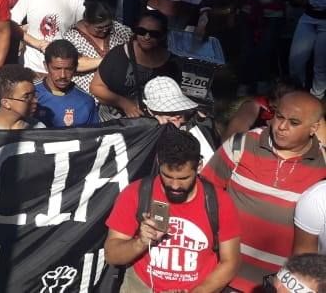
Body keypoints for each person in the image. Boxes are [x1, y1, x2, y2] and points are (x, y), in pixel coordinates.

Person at [203, 92, 326, 291]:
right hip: (220, 275)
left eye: (294, 123)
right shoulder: (241, 145)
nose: (282, 127)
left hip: (277, 285)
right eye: (279, 117)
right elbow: (203, 193)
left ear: (314, 128)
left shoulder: (323, 167)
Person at [104, 127, 241, 292]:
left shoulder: (219, 201)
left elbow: (231, 262)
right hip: (141, 286)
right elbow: (112, 256)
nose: (175, 185)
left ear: (199, 166)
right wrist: (140, 243)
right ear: (158, 163)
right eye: (167, 176)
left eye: (184, 178)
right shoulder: (135, 193)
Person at [91, 10, 182, 120]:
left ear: (163, 35)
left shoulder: (171, 64)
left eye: (154, 34)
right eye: (141, 31)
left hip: (148, 126)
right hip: (111, 122)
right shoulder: (119, 54)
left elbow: (174, 100)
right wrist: (123, 103)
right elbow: (95, 87)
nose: (146, 37)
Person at [11, 0, 86, 75]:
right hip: (32, 67)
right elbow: (10, 24)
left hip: (62, 69)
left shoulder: (75, 0)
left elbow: (86, 32)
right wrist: (36, 43)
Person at [143, 76, 218, 164]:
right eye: (171, 112)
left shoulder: (195, 126)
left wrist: (200, 118)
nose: (177, 117)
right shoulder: (142, 128)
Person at [63, 1, 133, 95]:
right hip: (89, 95)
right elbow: (75, 63)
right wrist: (110, 60)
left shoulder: (119, 30)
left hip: (120, 93)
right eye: (99, 28)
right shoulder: (72, 36)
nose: (104, 30)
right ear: (86, 23)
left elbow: (135, 48)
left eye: (108, 26)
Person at [290, 0, 326, 99]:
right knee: (296, 60)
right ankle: (295, 94)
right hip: (308, 18)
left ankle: (316, 99)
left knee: (320, 65)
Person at [35, 40, 99, 128]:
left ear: (75, 67)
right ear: (46, 66)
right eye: (57, 68)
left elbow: (93, 137)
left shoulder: (86, 102)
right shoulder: (30, 94)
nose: (62, 75)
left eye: (68, 69)